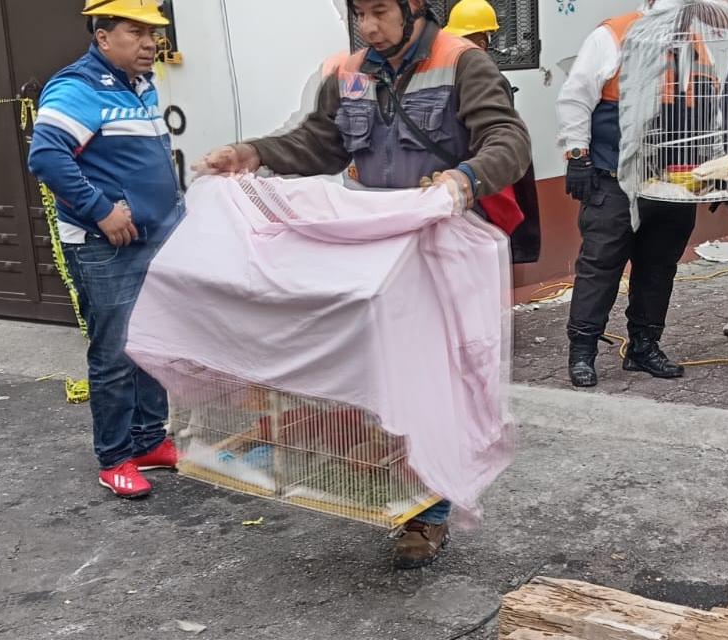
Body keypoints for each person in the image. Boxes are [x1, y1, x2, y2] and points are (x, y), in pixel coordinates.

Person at [194, 0, 531, 569]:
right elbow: (319, 144)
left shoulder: (463, 63)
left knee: (436, 385)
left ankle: (431, 514)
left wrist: (462, 180)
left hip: (440, 245)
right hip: (375, 251)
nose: (369, 27)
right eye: (359, 14)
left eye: (380, 12)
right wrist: (253, 154)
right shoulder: (349, 72)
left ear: (415, 7)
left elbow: (509, 140)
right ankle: (387, 481)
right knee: (381, 378)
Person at [28, 0, 184, 499]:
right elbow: (47, 155)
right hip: (106, 246)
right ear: (102, 37)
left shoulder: (141, 86)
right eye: (136, 32)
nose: (149, 43)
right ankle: (115, 456)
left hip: (153, 240)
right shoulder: (77, 87)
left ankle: (148, 440)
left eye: (153, 33)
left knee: (151, 343)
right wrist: (100, 209)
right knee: (115, 353)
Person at [557, 0, 698, 389]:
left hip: (674, 180)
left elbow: (711, 110)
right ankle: (582, 351)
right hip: (614, 174)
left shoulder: (701, 42)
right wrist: (577, 154)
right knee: (601, 265)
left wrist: (715, 170)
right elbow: (576, 96)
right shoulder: (612, 35)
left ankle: (644, 346)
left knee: (658, 267)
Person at [444, 0, 542, 264]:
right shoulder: (483, 76)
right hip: (478, 183)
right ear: (483, 41)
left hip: (460, 180)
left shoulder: (444, 74)